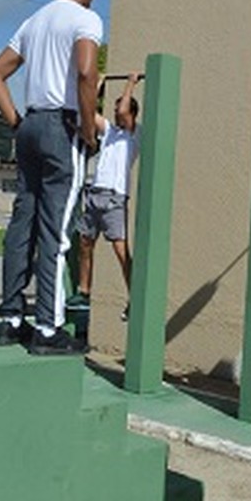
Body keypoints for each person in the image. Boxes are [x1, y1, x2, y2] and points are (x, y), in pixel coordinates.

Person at [0, 0, 101, 356]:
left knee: (23, 225)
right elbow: (87, 72)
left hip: (30, 124)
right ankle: (48, 330)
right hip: (61, 127)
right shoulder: (85, 19)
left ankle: (11, 319)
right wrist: (88, 131)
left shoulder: (34, 21)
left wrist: (16, 121)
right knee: (56, 231)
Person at [68, 72, 141, 319]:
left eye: (120, 108)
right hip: (95, 193)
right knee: (85, 243)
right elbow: (86, 112)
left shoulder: (134, 133)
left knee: (121, 251)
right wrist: (95, 86)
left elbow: (122, 111)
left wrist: (130, 82)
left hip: (114, 198)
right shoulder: (109, 132)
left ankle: (134, 297)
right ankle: (84, 290)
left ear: (131, 114)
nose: (116, 112)